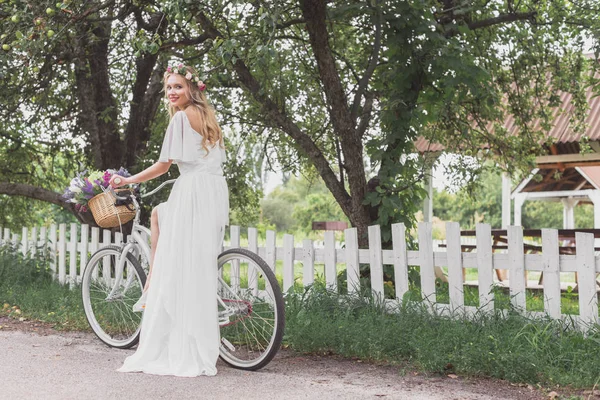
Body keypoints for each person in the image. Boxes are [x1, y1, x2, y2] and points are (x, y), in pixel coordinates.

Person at [109, 63, 229, 377]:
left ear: (191, 89)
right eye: (169, 88)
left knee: (162, 222)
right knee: (169, 224)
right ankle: (157, 278)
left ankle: (154, 279)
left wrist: (128, 180)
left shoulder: (179, 117)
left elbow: (164, 166)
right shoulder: (208, 117)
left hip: (192, 190)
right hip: (213, 190)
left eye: (177, 86)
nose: (173, 93)